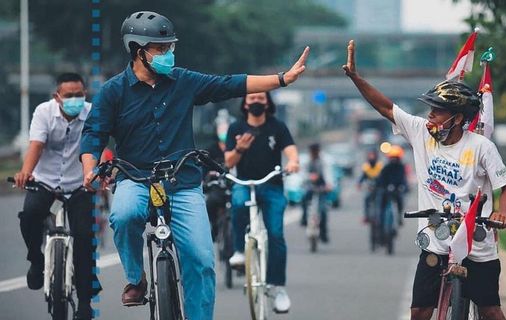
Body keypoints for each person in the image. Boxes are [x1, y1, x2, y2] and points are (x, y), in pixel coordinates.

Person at [80, 11, 309, 320]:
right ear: (138, 51)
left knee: (201, 261)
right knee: (124, 215)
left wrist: (282, 79)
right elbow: (94, 133)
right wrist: (90, 167)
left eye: (170, 47)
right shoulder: (112, 92)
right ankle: (135, 278)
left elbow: (228, 84)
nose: (168, 54)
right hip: (134, 178)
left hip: (183, 182)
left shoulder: (183, 81)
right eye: (161, 49)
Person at [343, 40, 506, 320]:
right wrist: (355, 78)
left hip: (477, 242)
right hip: (437, 240)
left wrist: (502, 212)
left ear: (458, 118)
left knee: (491, 310)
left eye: (437, 111)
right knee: (420, 311)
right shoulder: (421, 132)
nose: (430, 116)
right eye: (430, 110)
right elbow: (385, 107)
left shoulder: (482, 146)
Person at [13, 73, 100, 320]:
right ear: (57, 97)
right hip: (45, 181)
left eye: (79, 95)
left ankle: (84, 303)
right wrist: (25, 173)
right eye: (69, 95)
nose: (75, 99)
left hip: (79, 184)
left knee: (84, 238)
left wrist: (96, 175)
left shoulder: (92, 113)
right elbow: (36, 145)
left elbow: (95, 145)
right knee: (29, 215)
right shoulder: (43, 112)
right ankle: (36, 261)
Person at [225, 91, 299, 313]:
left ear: (267, 103)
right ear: (245, 104)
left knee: (276, 233)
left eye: (260, 98)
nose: (256, 102)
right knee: (237, 204)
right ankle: (239, 251)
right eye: (252, 99)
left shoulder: (277, 127)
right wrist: (240, 149)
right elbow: (228, 162)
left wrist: (294, 162)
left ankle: (278, 288)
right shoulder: (236, 128)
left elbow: (291, 151)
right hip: (244, 183)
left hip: (272, 185)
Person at [300, 143, 333, 243]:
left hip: (321, 188)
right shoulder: (306, 161)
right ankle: (304, 219)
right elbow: (302, 174)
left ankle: (323, 233)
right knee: (304, 200)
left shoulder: (324, 161)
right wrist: (308, 177)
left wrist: (329, 185)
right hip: (310, 186)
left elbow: (328, 173)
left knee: (323, 211)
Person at [375, 145, 408, 226]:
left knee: (400, 200)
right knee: (381, 202)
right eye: (392, 157)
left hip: (396, 190)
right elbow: (381, 179)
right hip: (386, 190)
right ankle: (381, 220)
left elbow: (403, 179)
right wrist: (383, 186)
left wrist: (403, 187)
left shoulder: (401, 167)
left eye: (395, 158)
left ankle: (399, 216)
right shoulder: (386, 168)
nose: (394, 160)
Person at [356, 149, 383, 223]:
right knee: (366, 199)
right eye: (370, 155)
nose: (371, 157)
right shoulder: (366, 166)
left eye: (373, 155)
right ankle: (366, 216)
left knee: (379, 202)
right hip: (370, 187)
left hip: (379, 188)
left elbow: (383, 177)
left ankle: (380, 217)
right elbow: (363, 176)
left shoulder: (380, 166)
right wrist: (359, 183)